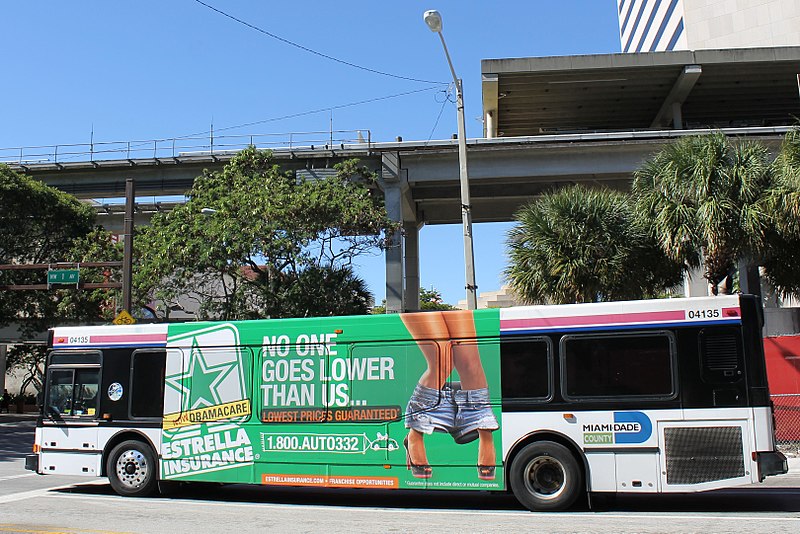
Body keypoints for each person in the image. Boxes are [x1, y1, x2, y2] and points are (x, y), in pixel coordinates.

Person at [401, 310, 498, 480]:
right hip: (415, 293)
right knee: (442, 361)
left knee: (470, 364)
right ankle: (415, 432)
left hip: (451, 288)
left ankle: (484, 427)